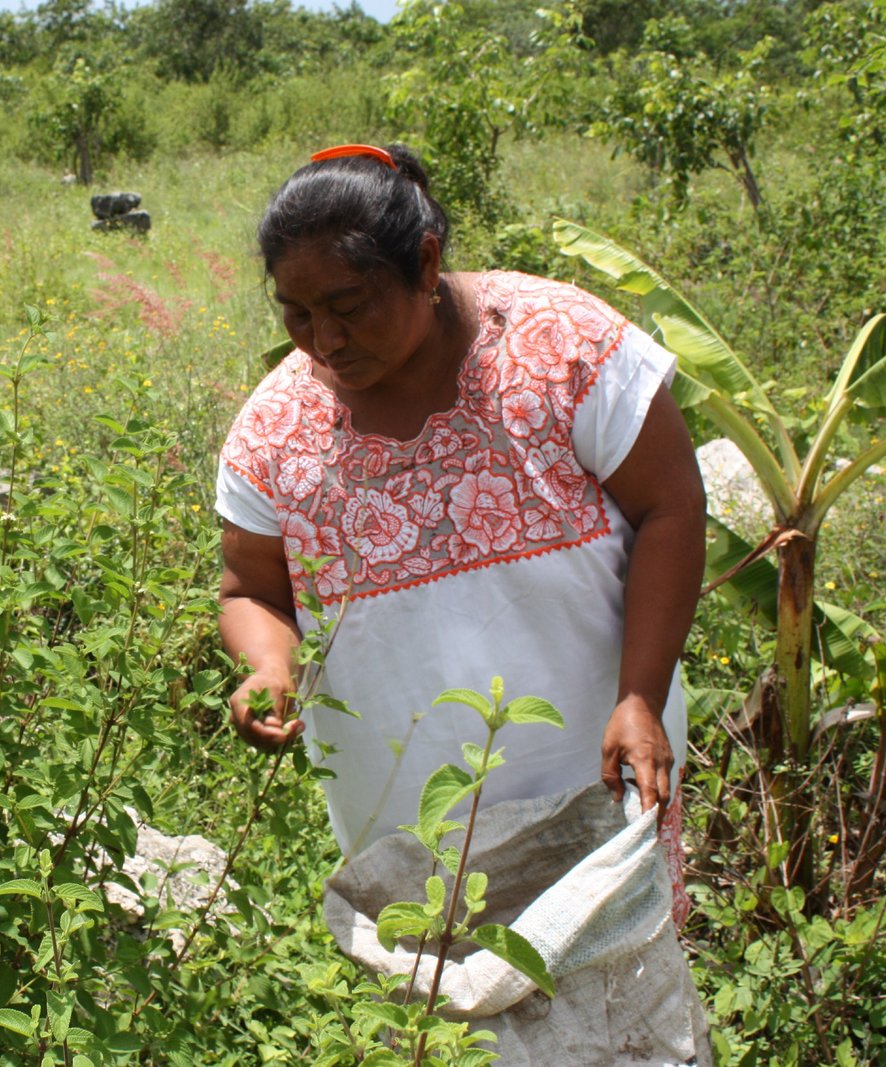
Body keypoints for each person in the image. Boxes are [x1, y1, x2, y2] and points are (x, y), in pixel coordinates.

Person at [215, 143, 706, 906]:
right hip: (410, 833)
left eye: (348, 306)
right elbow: (251, 589)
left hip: (596, 784)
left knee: (613, 966)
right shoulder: (274, 432)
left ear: (424, 263)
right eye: (298, 314)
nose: (325, 340)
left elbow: (669, 507)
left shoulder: (563, 346)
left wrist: (640, 695)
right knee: (437, 981)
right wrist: (268, 667)